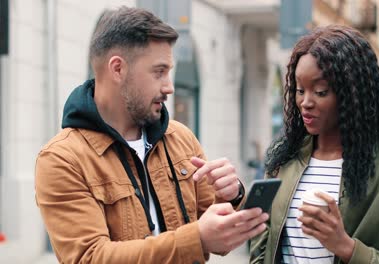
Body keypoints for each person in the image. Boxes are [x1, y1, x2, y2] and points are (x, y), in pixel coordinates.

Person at [35, 7, 268, 264]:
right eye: (159, 72)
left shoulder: (180, 138)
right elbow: (90, 258)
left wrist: (232, 195)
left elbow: (217, 237)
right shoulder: (62, 159)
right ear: (118, 69)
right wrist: (197, 238)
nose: (169, 86)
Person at [250, 25, 379, 264]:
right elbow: (262, 244)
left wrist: (345, 246)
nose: (305, 102)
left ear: (352, 95)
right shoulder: (284, 161)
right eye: (300, 90)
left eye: (320, 92)